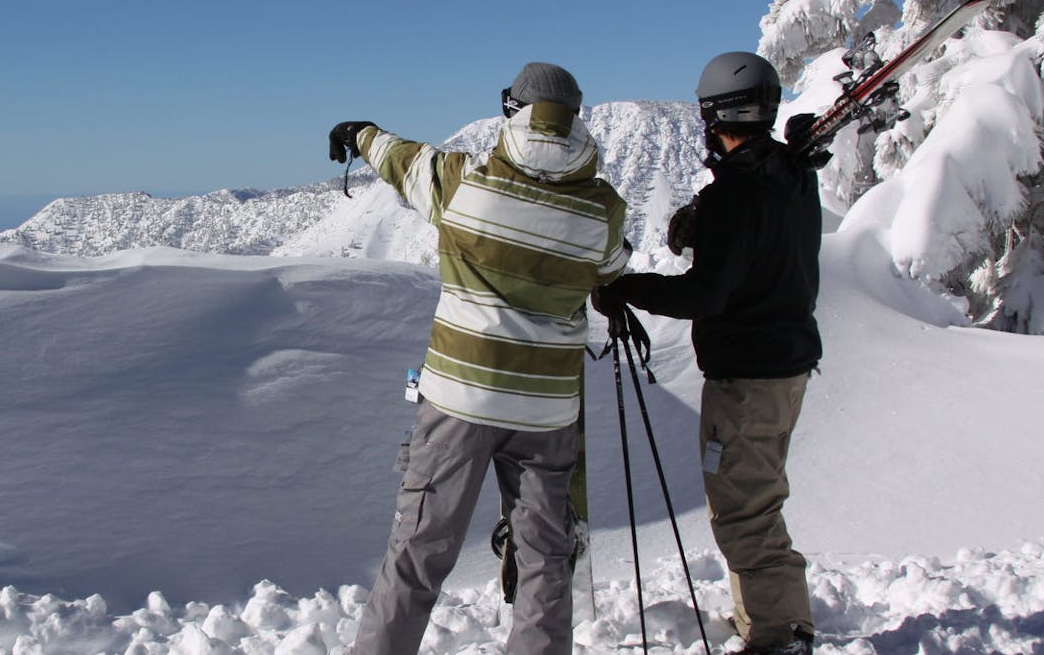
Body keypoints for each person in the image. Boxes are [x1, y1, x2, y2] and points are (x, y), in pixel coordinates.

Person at [328, 62, 629, 654]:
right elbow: (612, 271)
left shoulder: (462, 181)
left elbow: (399, 158)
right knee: (546, 560)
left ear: (513, 111)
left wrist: (358, 132)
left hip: (459, 402)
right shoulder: (603, 210)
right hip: (547, 415)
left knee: (418, 554)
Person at [593, 51, 821, 655]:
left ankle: (778, 636)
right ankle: (770, 620)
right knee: (757, 500)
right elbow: (758, 218)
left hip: (747, 379)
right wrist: (706, 213)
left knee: (744, 511)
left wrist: (627, 287)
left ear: (712, 114)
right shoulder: (793, 175)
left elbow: (705, 293)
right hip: (784, 367)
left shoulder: (741, 192)